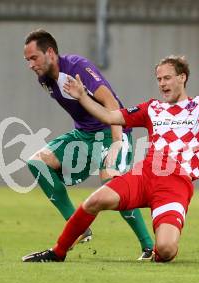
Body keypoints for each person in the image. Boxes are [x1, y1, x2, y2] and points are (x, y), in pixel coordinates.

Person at [22, 55, 199, 262]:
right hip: (145, 174)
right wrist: (82, 97)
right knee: (94, 201)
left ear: (182, 77)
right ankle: (58, 252)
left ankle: (155, 252)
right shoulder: (152, 108)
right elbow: (110, 116)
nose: (162, 83)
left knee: (166, 249)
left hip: (176, 183)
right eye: (159, 79)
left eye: (167, 78)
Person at [23, 29, 154, 260]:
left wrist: (116, 143)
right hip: (84, 136)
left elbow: (111, 102)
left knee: (115, 183)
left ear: (50, 52)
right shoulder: (44, 79)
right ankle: (79, 228)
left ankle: (148, 246)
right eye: (27, 60)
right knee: (37, 163)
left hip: (112, 131)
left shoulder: (77, 67)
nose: (30, 64)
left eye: (34, 58)